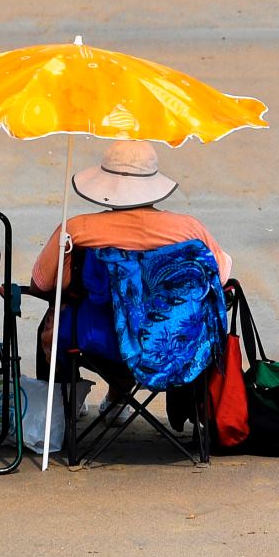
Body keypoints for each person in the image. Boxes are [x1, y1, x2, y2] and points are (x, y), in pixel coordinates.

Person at [26, 139, 232, 405]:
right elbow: (221, 277)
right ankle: (123, 395)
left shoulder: (77, 229)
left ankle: (62, 414)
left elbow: (42, 284)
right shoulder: (189, 230)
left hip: (99, 339)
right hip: (172, 343)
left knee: (58, 317)